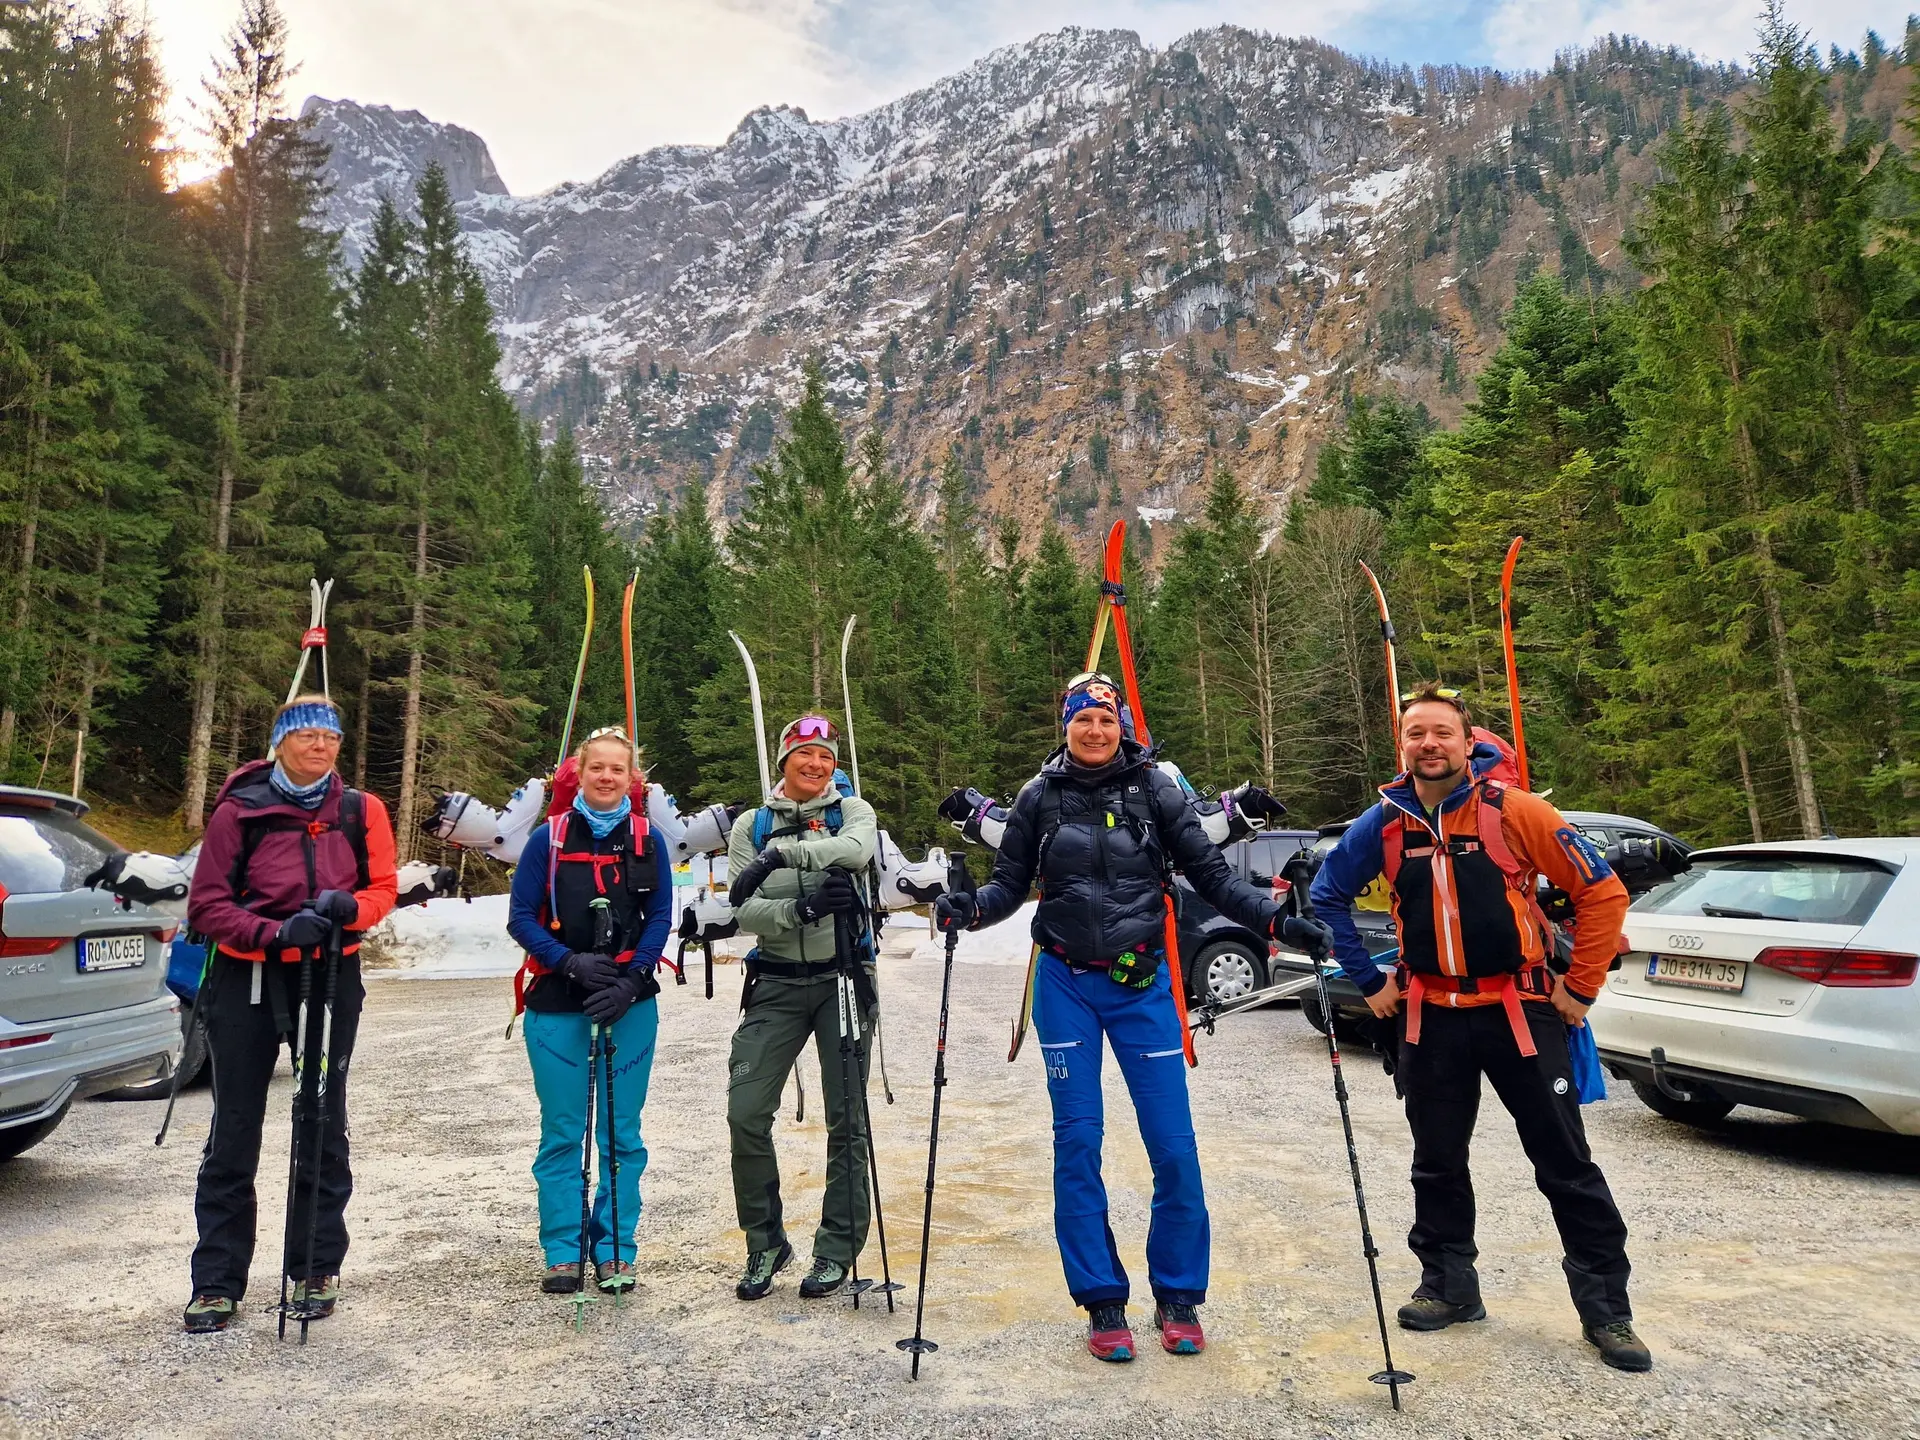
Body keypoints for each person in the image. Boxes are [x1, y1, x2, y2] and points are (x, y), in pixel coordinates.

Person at [934, 675, 1328, 1362]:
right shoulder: (1038, 796)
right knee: (1077, 1141)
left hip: (1143, 981)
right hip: (1065, 983)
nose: (1094, 729)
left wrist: (1276, 919)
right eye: (1082, 718)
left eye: (1104, 718)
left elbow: (1211, 875)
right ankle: (1102, 1301)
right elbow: (1007, 884)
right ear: (1065, 726)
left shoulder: (1155, 790)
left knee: (1172, 1144)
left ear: (1121, 726)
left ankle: (1179, 1295)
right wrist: (968, 910)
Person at [1308, 682, 1650, 1372]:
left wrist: (1580, 987)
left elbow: (1602, 891)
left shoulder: (1516, 811)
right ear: (1401, 747)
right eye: (1415, 734)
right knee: (1436, 1162)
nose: (1428, 744)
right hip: (1430, 1017)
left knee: (1564, 1163)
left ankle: (1607, 1312)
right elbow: (1327, 894)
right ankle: (1448, 1288)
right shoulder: (1384, 823)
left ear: (1468, 744)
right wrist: (1370, 981)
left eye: (1441, 733)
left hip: (1520, 1013)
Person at [181, 695, 398, 1333]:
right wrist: (273, 934)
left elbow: (380, 889)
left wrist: (347, 911)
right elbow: (207, 906)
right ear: (279, 743)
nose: (319, 745)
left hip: (329, 976)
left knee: (323, 1122)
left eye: (329, 736)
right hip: (245, 978)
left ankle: (313, 1267)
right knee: (234, 1128)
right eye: (304, 734)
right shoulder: (239, 810)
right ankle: (217, 1281)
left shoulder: (362, 810)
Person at [506, 727, 673, 1295]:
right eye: (596, 767)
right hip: (557, 1001)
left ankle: (616, 1249)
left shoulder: (648, 841)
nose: (606, 777)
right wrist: (569, 962)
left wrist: (631, 981)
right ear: (579, 772)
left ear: (632, 779)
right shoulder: (547, 840)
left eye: (617, 770)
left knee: (621, 1133)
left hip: (629, 1003)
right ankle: (562, 1249)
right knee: (563, 1131)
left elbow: (658, 919)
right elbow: (522, 917)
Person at [724, 714, 877, 1302]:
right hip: (778, 983)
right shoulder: (750, 824)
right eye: (805, 755)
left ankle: (837, 1248)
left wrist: (782, 859)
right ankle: (764, 1242)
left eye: (826, 757)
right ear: (783, 760)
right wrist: (802, 910)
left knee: (848, 1120)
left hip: (843, 978)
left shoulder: (852, 811)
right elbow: (744, 907)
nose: (816, 765)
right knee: (746, 1112)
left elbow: (857, 850)